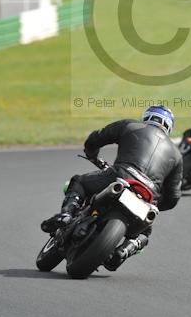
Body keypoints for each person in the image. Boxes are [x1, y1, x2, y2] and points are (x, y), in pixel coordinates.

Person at [41, 105, 182, 271]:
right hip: (148, 194)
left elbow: (97, 137)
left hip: (121, 175)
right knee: (145, 233)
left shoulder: (131, 125)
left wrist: (91, 153)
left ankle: (67, 213)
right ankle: (124, 251)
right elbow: (173, 198)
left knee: (79, 181)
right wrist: (156, 203)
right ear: (169, 127)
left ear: (147, 118)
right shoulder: (177, 154)